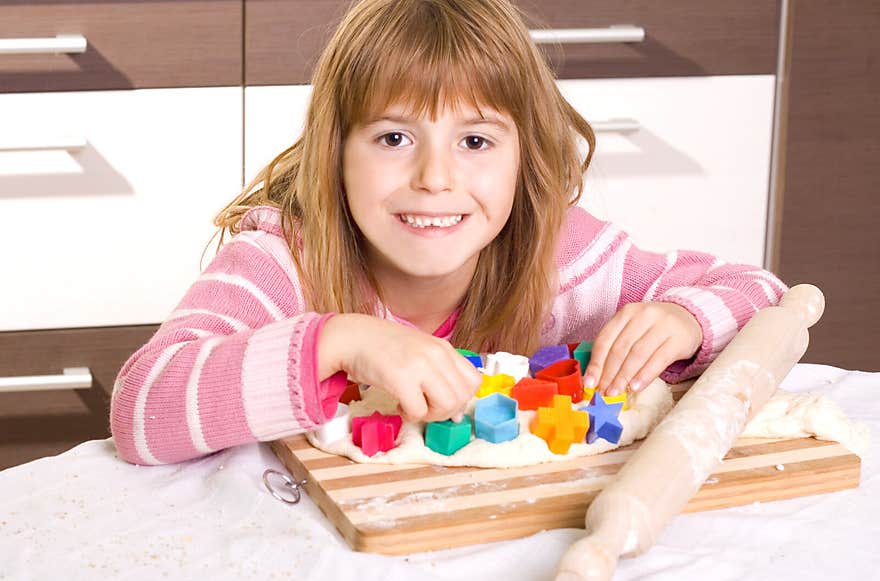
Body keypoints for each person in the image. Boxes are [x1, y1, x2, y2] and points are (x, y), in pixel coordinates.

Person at [110, 0, 787, 465]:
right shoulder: (280, 265)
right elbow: (142, 410)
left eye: (475, 140)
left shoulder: (564, 258)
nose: (435, 177)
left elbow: (761, 293)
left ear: (524, 157)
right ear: (334, 152)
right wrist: (340, 340)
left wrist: (684, 318)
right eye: (395, 136)